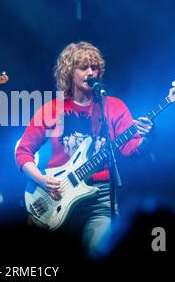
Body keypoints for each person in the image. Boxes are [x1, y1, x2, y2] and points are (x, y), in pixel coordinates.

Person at [15, 42, 153, 259]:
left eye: (94, 67)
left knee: (100, 255)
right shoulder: (52, 109)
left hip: (100, 199)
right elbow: (23, 152)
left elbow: (130, 148)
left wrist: (146, 139)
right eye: (83, 67)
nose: (91, 72)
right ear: (69, 72)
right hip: (57, 195)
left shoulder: (114, 106)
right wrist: (41, 180)